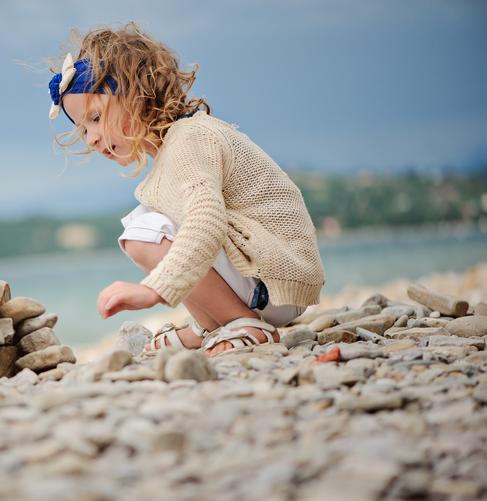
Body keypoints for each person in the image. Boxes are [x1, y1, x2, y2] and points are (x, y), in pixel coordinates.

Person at [47, 23, 325, 357]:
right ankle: (213, 325)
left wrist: (154, 290)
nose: (90, 138)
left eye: (95, 118)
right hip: (268, 278)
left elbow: (207, 221)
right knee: (150, 215)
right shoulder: (171, 152)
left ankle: (241, 322)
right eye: (81, 128)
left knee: (143, 231)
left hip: (276, 279)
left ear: (135, 96)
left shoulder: (189, 139)